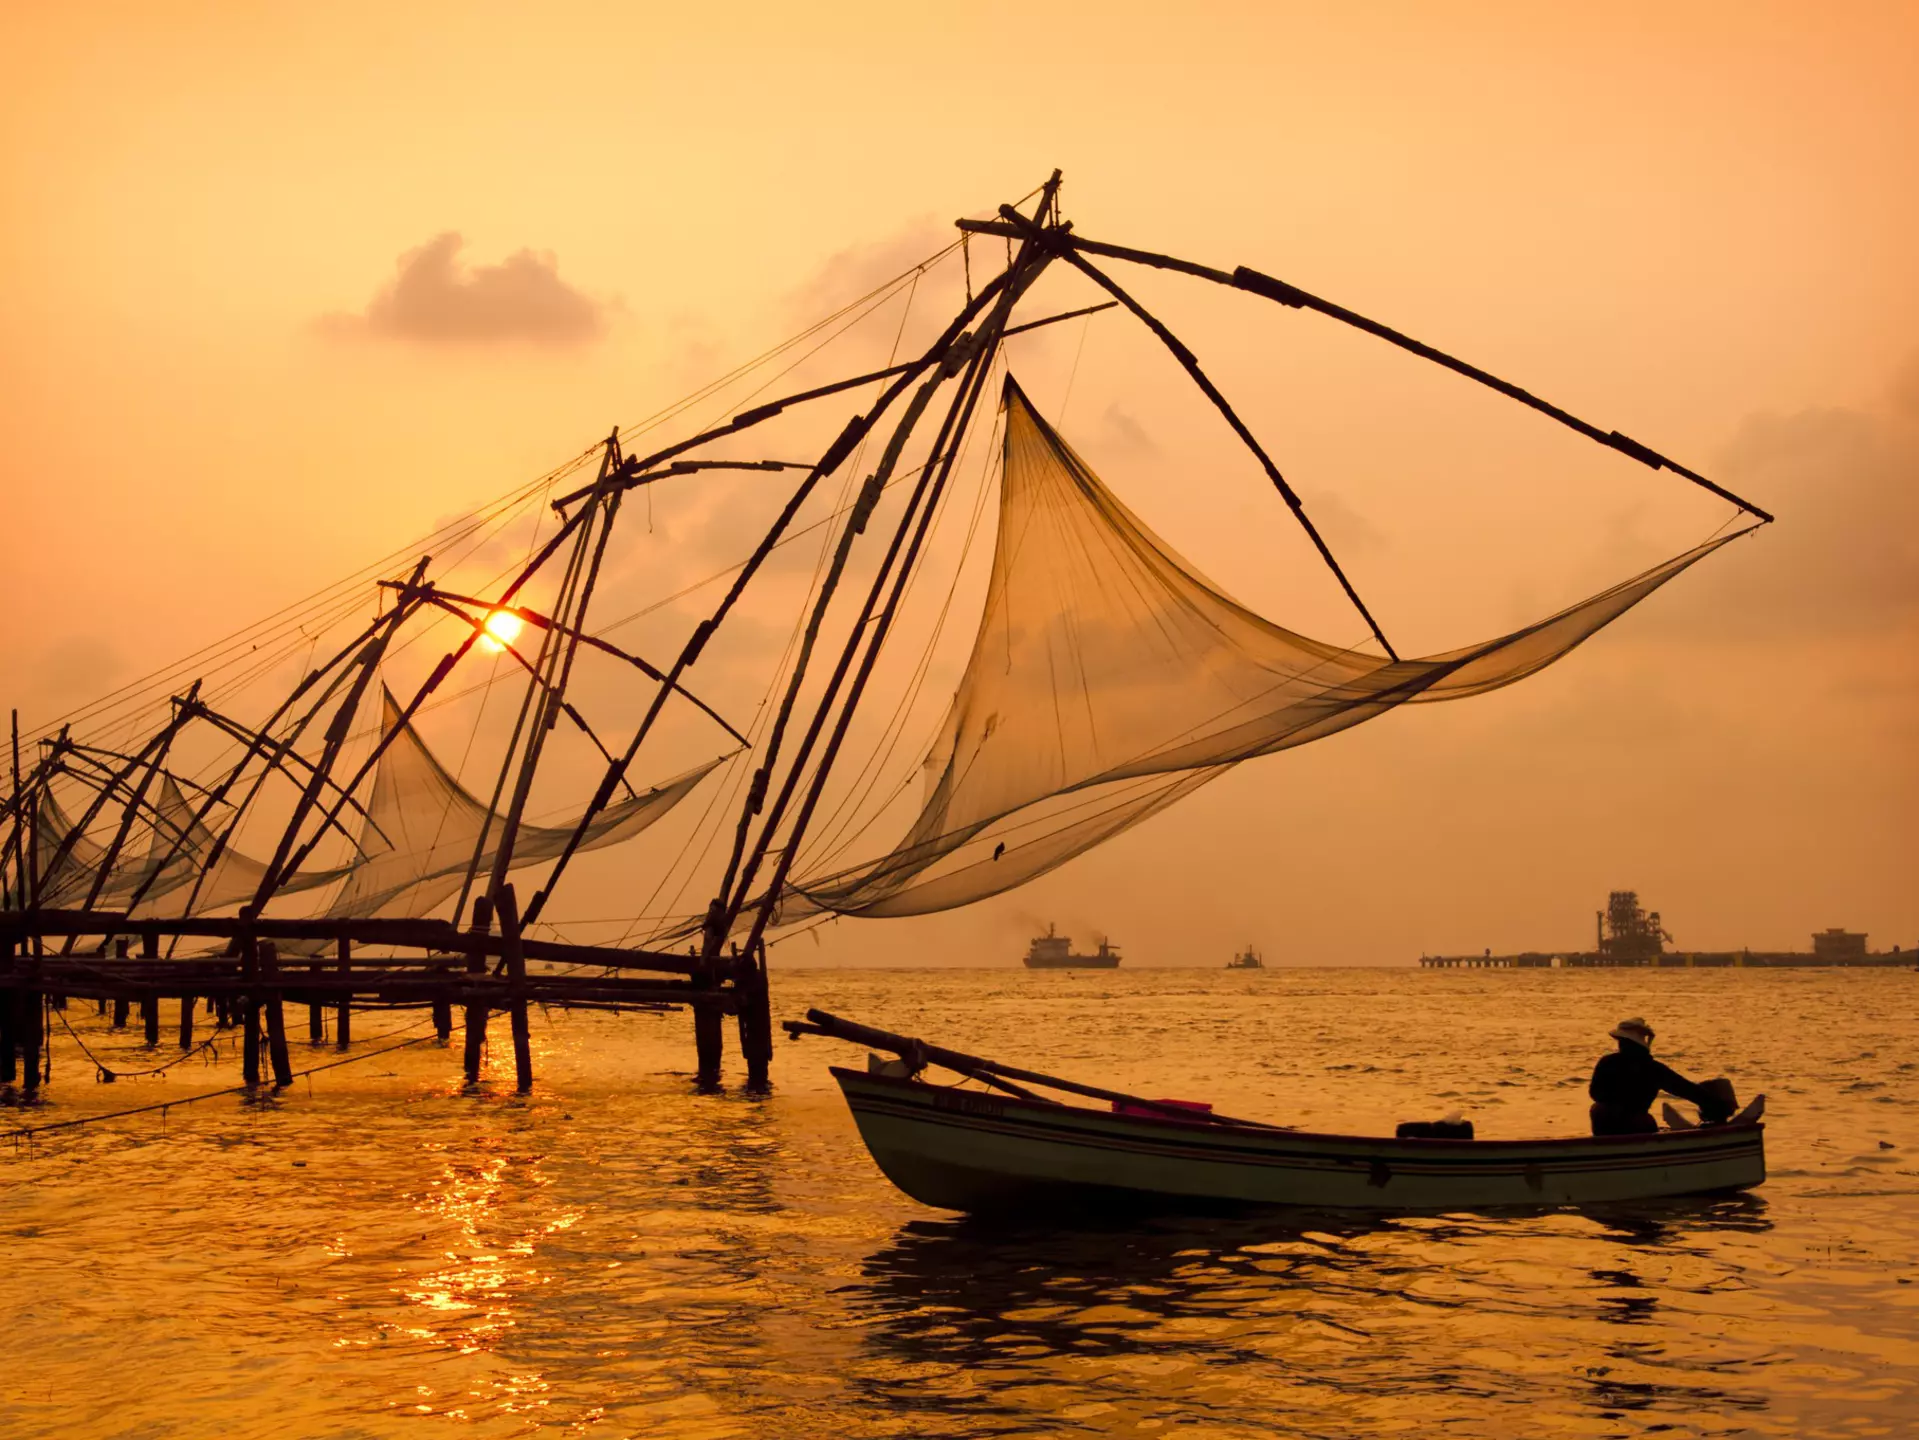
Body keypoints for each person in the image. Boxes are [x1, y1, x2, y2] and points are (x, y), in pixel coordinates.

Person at [1588, 1018, 1734, 1136]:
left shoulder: (1607, 1062)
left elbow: (1594, 1093)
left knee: (1598, 1109)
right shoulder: (1652, 1068)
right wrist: (1715, 1104)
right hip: (1636, 1125)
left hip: (1604, 1125)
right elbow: (1684, 1088)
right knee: (1645, 1122)